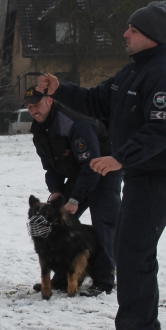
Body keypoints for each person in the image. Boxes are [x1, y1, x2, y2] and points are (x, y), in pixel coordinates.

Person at [38, 2, 166, 329]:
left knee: (133, 255)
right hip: (140, 175)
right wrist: (61, 89)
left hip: (156, 176)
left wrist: (120, 157)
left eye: (134, 30)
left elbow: (160, 128)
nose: (125, 34)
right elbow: (97, 100)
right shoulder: (132, 70)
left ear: (154, 35)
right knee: (132, 253)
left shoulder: (161, 72)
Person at [24, 86, 122, 297]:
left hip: (104, 170)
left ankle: (103, 281)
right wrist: (57, 193)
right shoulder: (39, 129)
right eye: (29, 107)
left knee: (104, 223)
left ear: (49, 101)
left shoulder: (76, 123)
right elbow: (50, 165)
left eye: (37, 105)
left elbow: (92, 166)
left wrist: (75, 199)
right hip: (81, 173)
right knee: (59, 221)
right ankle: (61, 277)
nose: (33, 111)